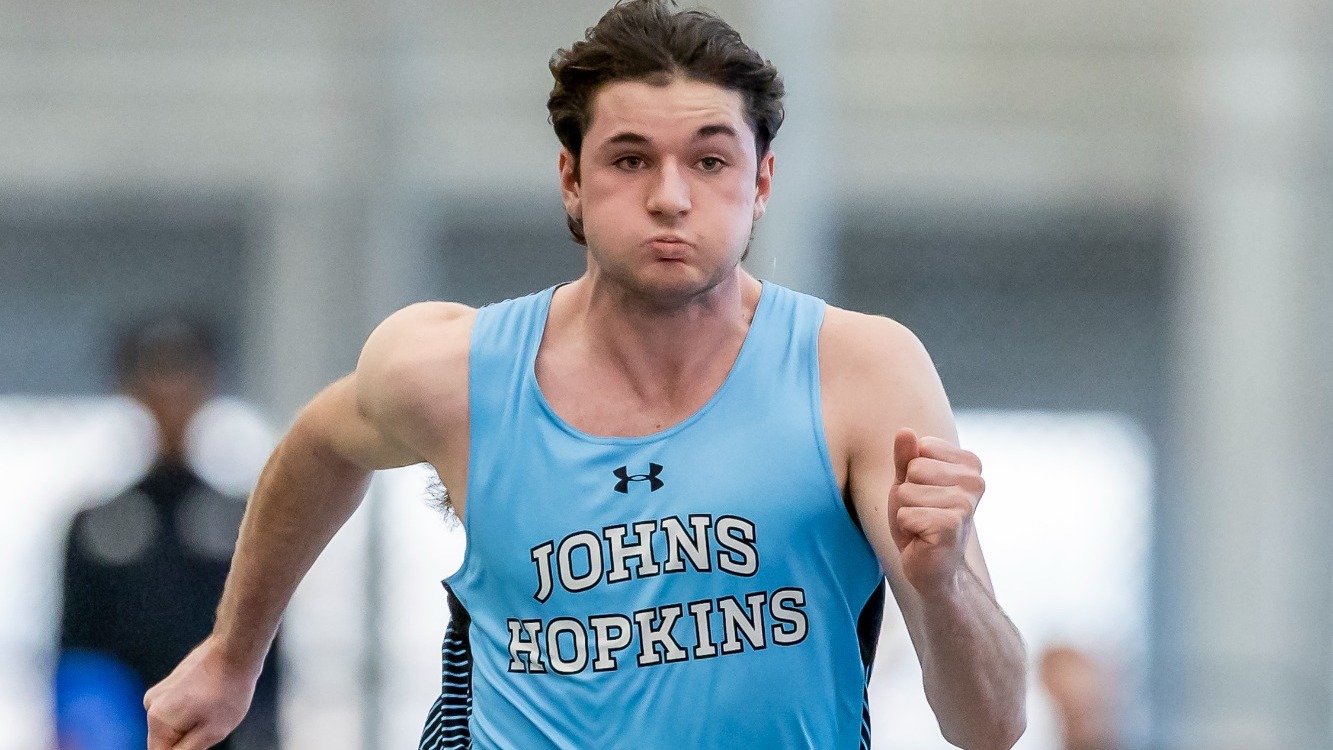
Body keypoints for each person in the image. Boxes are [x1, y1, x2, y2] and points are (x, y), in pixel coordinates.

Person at [144, 2, 1027, 748]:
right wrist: (232, 656)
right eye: (630, 159)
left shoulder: (858, 372)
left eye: (710, 161)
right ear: (571, 179)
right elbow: (318, 446)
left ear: (761, 182)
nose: (671, 197)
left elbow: (989, 725)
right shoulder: (456, 370)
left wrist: (943, 584)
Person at [58, 315, 280, 750]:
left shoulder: (246, 520)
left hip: (222, 728)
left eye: (183, 370)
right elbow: (76, 656)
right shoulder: (96, 527)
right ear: (131, 388)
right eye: (156, 370)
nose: (171, 390)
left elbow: (271, 651)